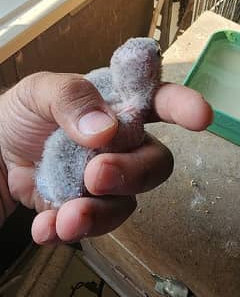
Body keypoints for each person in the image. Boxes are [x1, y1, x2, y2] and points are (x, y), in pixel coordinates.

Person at [0, 72, 212, 245]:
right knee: (99, 171)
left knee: (100, 174)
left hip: (48, 179)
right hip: (55, 180)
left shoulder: (122, 104)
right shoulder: (124, 112)